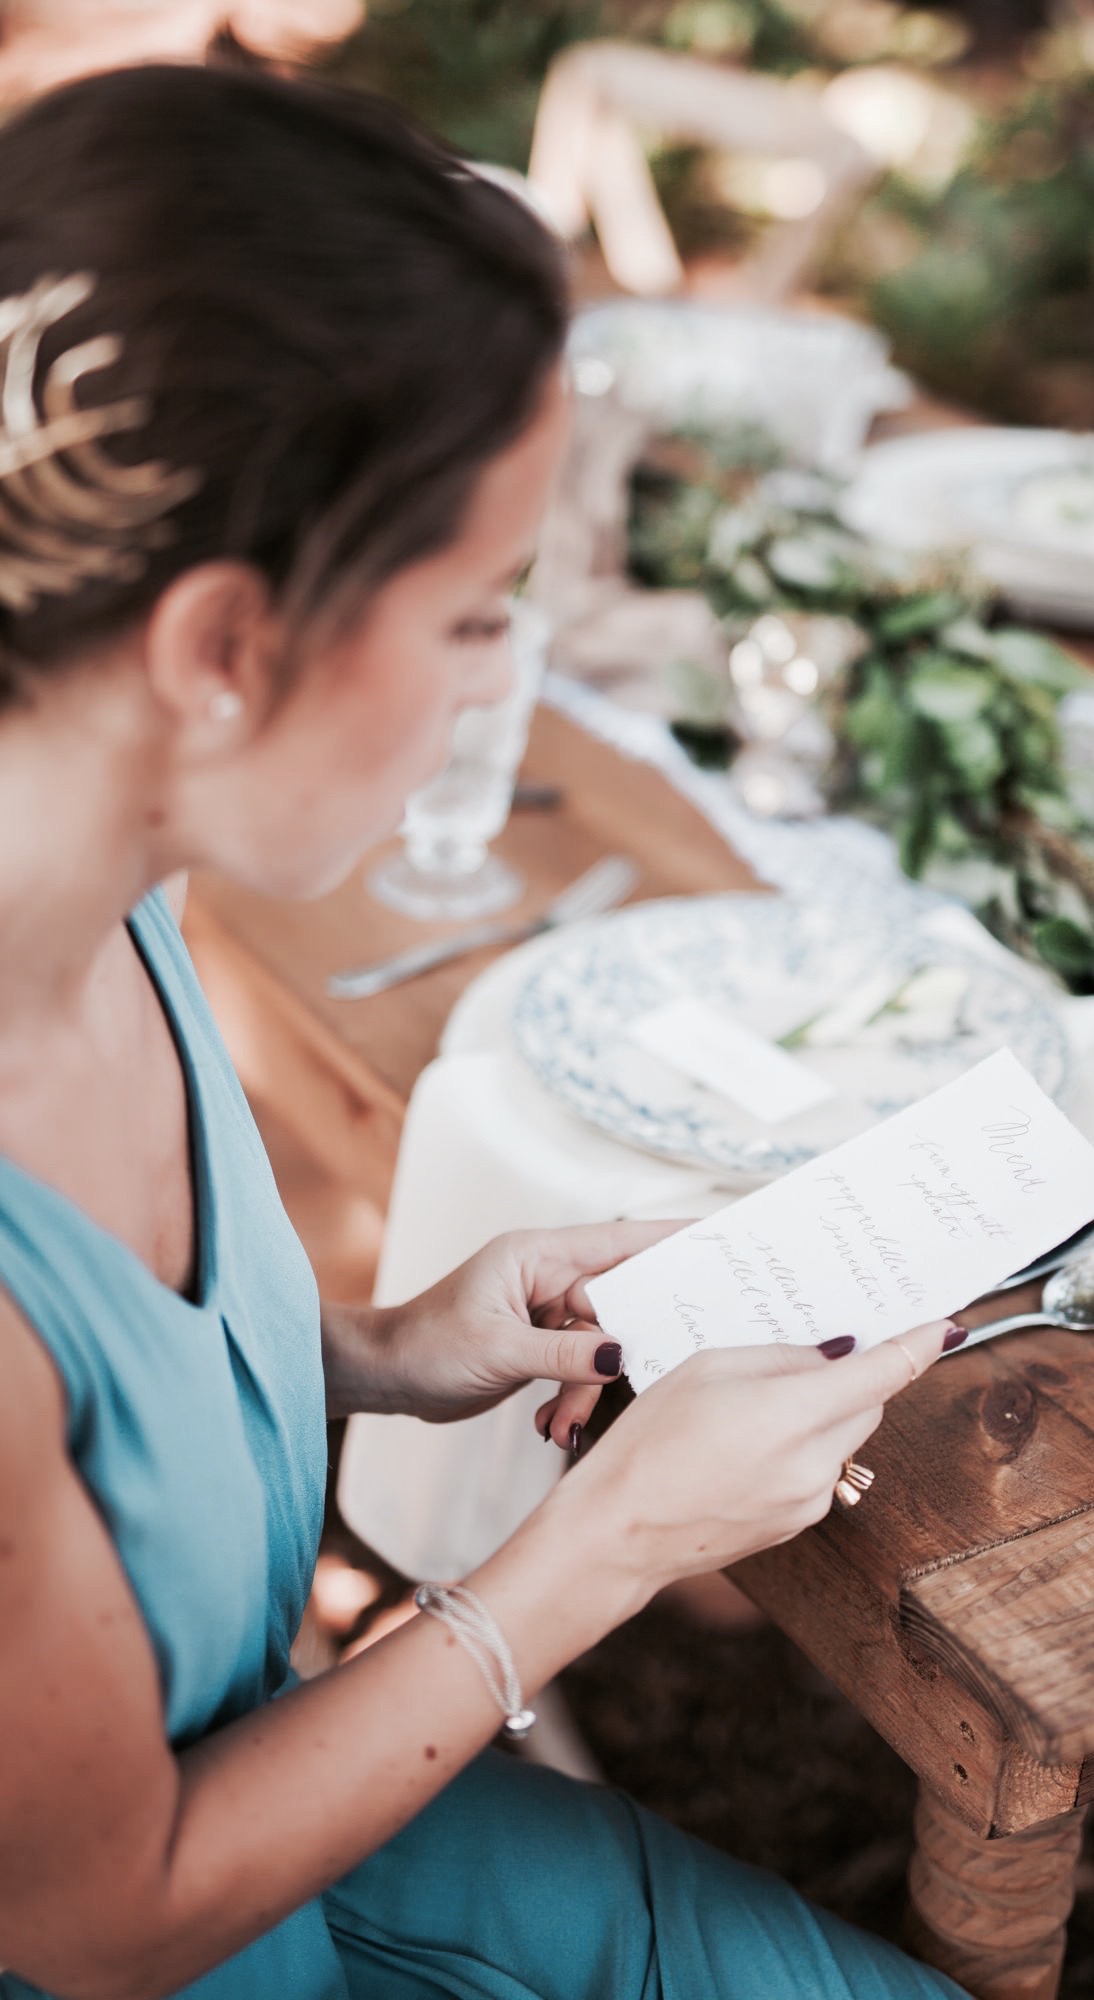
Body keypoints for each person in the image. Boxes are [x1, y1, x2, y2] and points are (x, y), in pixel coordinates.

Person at [0, 62, 969, 2000]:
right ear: (218, 646)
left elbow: (105, 1438)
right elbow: (94, 1921)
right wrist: (614, 1539)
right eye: (466, 616)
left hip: (287, 1814)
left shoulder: (116, 875)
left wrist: (382, 1343)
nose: (491, 690)